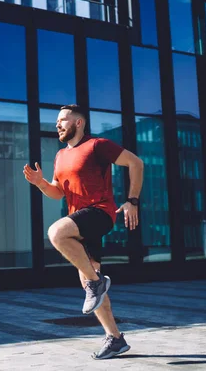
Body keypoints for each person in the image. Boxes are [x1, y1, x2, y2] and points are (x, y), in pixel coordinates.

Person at [23, 105, 144, 360]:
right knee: (88, 280)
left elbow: (136, 163)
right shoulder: (60, 157)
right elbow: (58, 191)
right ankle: (115, 338)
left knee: (56, 233)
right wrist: (40, 183)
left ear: (79, 123)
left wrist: (132, 200)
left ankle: (97, 283)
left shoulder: (97, 145)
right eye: (56, 121)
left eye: (63, 120)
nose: (57, 124)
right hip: (80, 221)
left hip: (99, 212)